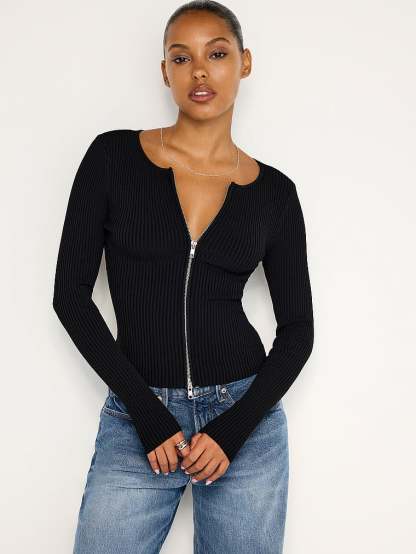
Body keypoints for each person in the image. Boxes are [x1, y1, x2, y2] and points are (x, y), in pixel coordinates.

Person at [52, 2, 314, 553]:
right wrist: (146, 413)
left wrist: (234, 430)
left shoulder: (275, 193)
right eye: (181, 57)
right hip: (138, 414)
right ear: (164, 71)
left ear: (244, 62)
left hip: (242, 418)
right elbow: (70, 297)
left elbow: (298, 331)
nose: (199, 71)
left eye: (216, 54)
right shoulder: (112, 157)